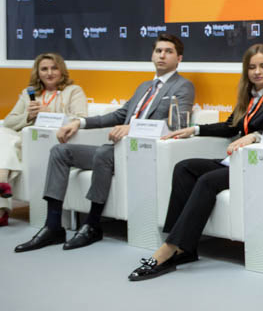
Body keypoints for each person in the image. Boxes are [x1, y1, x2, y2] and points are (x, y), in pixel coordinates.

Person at [127, 44, 263, 280]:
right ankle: (184, 248)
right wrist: (195, 129)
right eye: (252, 67)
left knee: (208, 181)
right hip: (234, 161)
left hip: (259, 166)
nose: (257, 72)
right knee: (184, 167)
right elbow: (230, 126)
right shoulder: (248, 96)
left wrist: (255, 136)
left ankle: (168, 250)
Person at [14, 35, 195, 252]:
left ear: (179, 58)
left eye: (168, 51)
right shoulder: (144, 86)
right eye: (158, 51)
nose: (162, 55)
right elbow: (119, 115)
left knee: (103, 154)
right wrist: (79, 123)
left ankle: (92, 224)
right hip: (116, 150)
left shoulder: (183, 86)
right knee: (60, 151)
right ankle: (53, 226)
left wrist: (133, 128)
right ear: (152, 55)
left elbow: (176, 123)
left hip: (143, 152)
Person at [0, 54, 88, 227]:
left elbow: (81, 119)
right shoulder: (29, 93)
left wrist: (49, 113)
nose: (49, 73)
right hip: (26, 139)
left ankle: (2, 202)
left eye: (54, 68)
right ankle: (2, 187)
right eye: (44, 69)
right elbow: (9, 121)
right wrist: (28, 116)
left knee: (8, 145)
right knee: (3, 135)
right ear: (38, 72)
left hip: (53, 140)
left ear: (62, 71)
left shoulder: (74, 91)